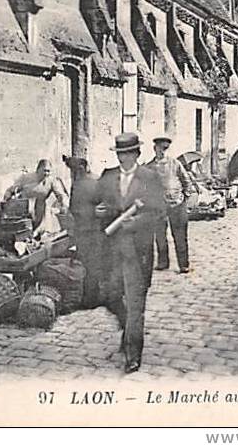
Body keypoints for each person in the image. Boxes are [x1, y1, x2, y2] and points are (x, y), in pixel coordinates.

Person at [95, 133, 165, 373]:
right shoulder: (107, 177)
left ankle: (133, 354)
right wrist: (99, 211)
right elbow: (95, 205)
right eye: (119, 153)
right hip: (112, 252)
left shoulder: (150, 178)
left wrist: (134, 224)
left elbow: (158, 212)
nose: (123, 157)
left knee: (135, 304)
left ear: (136, 154)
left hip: (137, 252)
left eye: (127, 153)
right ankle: (128, 333)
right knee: (113, 297)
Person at [63, 155, 111, 309]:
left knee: (87, 263)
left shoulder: (80, 184)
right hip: (98, 229)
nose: (73, 174)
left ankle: (90, 299)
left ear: (79, 170)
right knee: (97, 263)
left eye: (73, 171)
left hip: (87, 230)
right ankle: (98, 295)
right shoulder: (97, 180)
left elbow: (74, 209)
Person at [146, 136, 198, 274]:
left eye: (165, 149)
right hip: (158, 206)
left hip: (177, 204)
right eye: (160, 149)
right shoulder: (149, 167)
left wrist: (184, 198)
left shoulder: (175, 164)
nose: (162, 152)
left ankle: (183, 264)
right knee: (160, 236)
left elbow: (186, 181)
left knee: (180, 235)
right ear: (154, 149)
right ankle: (163, 262)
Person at [0, 159, 69, 238]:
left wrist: (63, 203)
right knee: (23, 231)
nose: (46, 174)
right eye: (44, 171)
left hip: (40, 208)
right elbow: (12, 189)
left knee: (40, 231)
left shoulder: (51, 180)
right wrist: (7, 198)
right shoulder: (26, 178)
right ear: (38, 170)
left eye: (48, 171)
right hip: (24, 207)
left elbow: (60, 194)